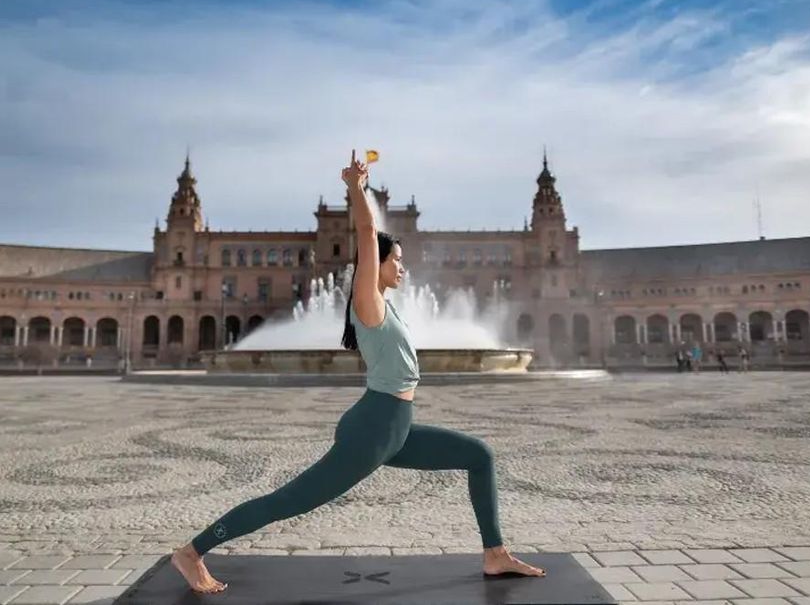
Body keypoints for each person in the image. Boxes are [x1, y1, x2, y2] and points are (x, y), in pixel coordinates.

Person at [170, 151, 545, 594]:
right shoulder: (367, 302)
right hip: (374, 429)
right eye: (396, 259)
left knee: (479, 456)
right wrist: (356, 187)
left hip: (394, 427)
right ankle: (192, 552)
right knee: (288, 501)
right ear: (375, 264)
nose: (403, 267)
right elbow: (367, 232)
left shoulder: (387, 307)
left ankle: (495, 554)